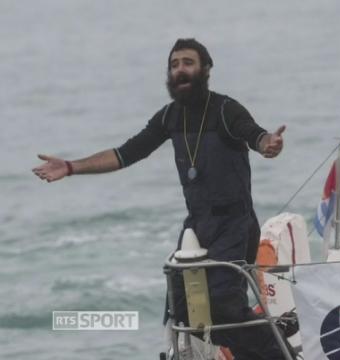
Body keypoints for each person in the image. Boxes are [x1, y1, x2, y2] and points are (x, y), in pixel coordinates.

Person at [33, 38, 293, 359]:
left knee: (224, 304)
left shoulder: (226, 110)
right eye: (174, 65)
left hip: (234, 223)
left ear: (205, 69)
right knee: (182, 309)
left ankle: (277, 349)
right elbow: (126, 153)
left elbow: (255, 134)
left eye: (188, 62)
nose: (180, 70)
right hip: (197, 226)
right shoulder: (170, 117)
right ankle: (259, 342)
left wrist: (269, 143)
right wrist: (71, 167)